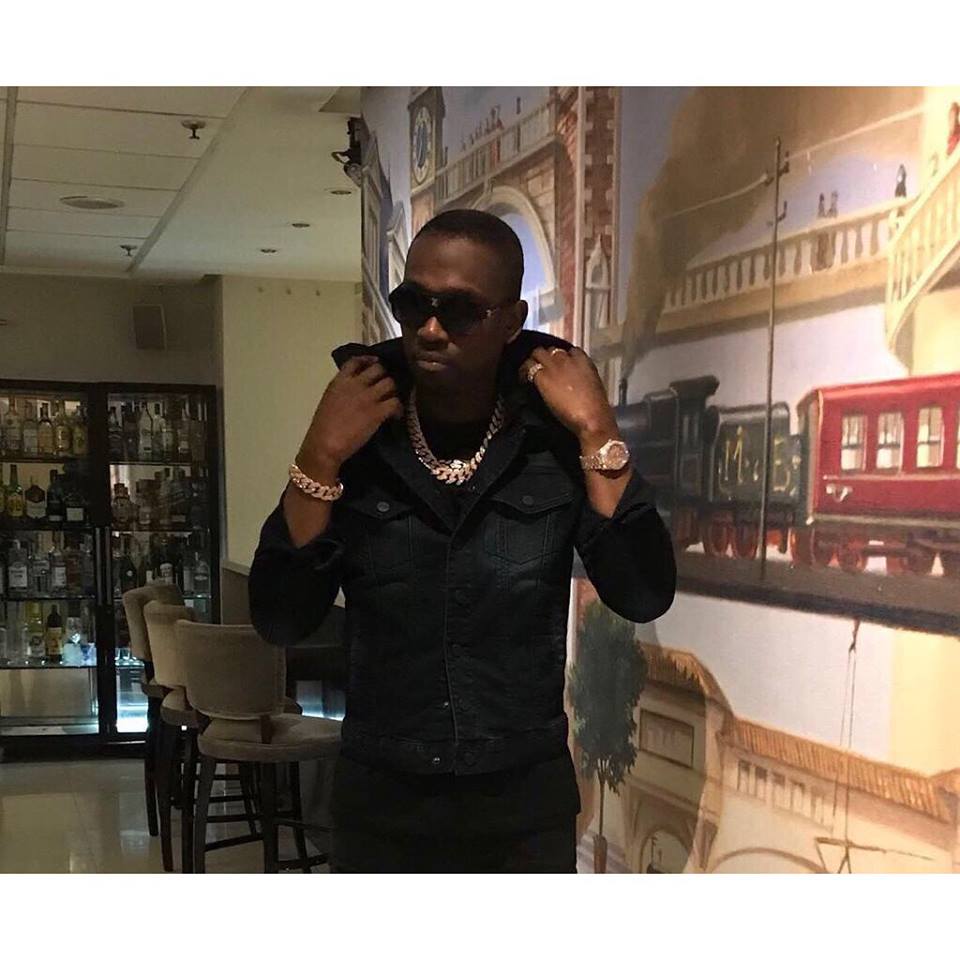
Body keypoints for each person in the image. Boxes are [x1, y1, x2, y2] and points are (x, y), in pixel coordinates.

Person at [249, 209, 676, 873]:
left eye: (460, 311)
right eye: (413, 303)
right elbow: (282, 616)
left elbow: (642, 591)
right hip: (381, 809)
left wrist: (598, 432)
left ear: (511, 320)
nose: (430, 328)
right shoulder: (359, 429)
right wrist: (319, 456)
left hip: (521, 813)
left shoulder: (556, 440)